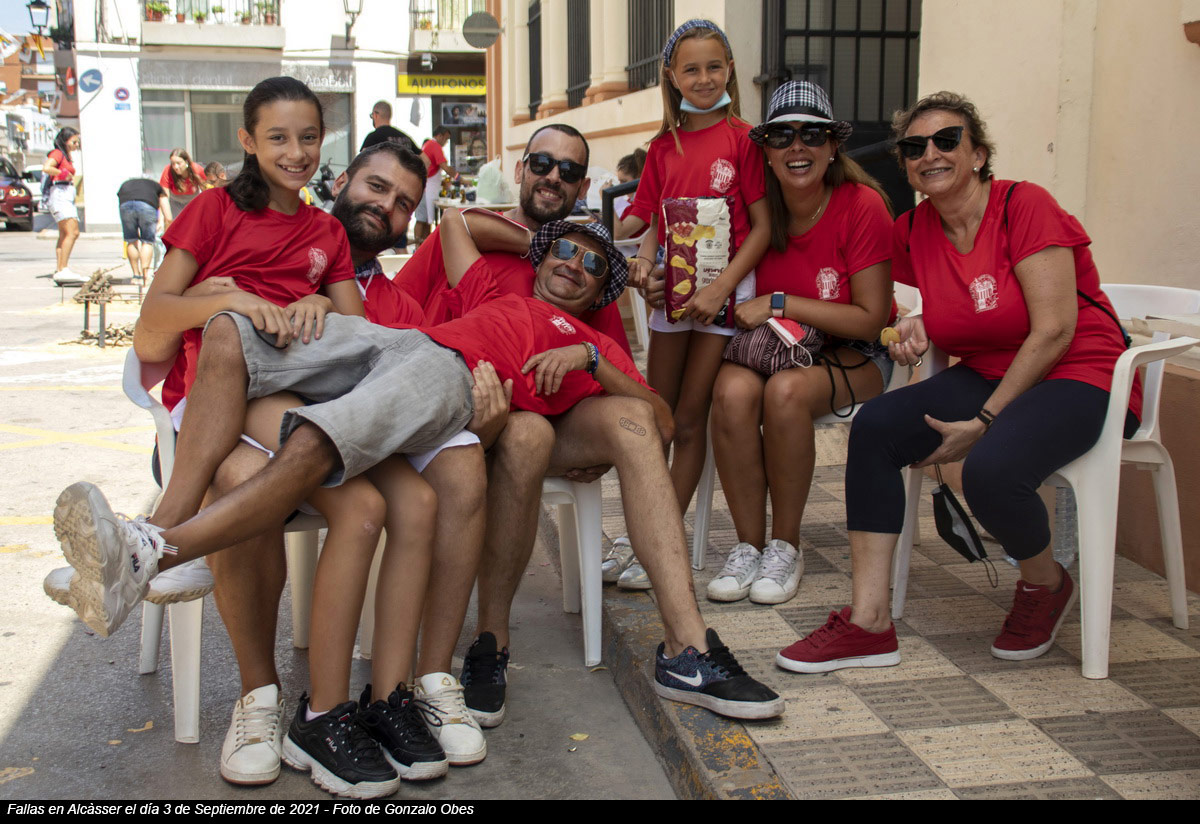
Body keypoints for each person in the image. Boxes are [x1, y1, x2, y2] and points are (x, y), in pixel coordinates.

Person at [48, 220, 784, 754]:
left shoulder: (591, 339)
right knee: (228, 335)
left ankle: (154, 553)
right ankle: (157, 528)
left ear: (601, 293)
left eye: (594, 264)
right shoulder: (495, 286)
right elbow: (456, 222)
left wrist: (590, 360)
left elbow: (658, 420)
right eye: (561, 248)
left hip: (447, 378)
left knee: (317, 443)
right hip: (395, 346)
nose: (573, 263)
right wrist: (531, 234)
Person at [132, 78, 441, 798]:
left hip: (299, 399)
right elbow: (151, 327)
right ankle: (258, 696)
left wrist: (316, 305)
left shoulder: (325, 235)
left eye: (307, 138)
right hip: (216, 400)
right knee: (242, 479)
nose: (295, 152)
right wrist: (232, 299)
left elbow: (356, 336)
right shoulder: (213, 211)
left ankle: (326, 712)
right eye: (277, 137)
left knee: (370, 508)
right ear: (247, 141)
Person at [776, 91, 1140, 673]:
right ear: (905, 165)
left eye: (947, 141)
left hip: (1081, 371)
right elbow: (905, 296)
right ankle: (869, 622)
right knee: (876, 427)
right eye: (914, 147)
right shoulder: (913, 229)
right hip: (991, 369)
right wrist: (911, 324)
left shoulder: (1025, 205)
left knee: (990, 468)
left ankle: (1045, 584)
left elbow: (1054, 330)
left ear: (978, 155)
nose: (931, 154)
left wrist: (984, 421)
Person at [706, 81, 894, 605]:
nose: (797, 146)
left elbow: (871, 320)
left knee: (785, 393)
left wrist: (780, 302)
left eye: (812, 134)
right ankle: (748, 547)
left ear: (833, 146)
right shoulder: (756, 214)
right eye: (781, 135)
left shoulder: (862, 205)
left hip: (854, 351)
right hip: (770, 349)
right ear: (765, 151)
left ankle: (785, 546)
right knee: (731, 392)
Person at [613, 19, 771, 590]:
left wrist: (722, 287)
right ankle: (638, 534)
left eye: (714, 67)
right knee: (655, 418)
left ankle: (661, 539)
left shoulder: (745, 140)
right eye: (692, 70)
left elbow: (762, 228)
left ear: (729, 69)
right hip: (673, 299)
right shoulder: (661, 148)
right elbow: (646, 223)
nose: (704, 79)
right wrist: (639, 265)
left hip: (722, 298)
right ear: (672, 77)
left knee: (687, 420)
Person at [43, 128, 82, 285]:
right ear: (65, 141)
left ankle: (60, 268)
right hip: (61, 193)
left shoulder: (65, 155)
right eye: (74, 141)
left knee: (64, 233)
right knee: (73, 232)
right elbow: (47, 168)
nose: (77, 144)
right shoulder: (58, 153)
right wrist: (63, 172)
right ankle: (63, 268)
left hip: (62, 193)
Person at [116, 177, 173, 282]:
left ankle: (136, 276)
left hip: (125, 204)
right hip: (146, 206)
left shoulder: (126, 184)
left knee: (131, 241)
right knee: (147, 241)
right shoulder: (157, 187)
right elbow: (168, 217)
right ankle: (145, 276)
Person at [411, 125, 456, 245]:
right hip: (425, 188)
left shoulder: (429, 145)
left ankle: (424, 245)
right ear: (439, 136)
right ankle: (418, 246)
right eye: (446, 139)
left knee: (426, 221)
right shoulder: (434, 146)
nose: (446, 142)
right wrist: (459, 178)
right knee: (421, 219)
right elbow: (445, 167)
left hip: (426, 187)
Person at [159, 148, 207, 216]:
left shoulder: (196, 169)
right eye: (173, 164)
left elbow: (207, 191)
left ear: (186, 162)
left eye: (178, 163)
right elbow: (163, 196)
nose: (176, 167)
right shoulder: (168, 170)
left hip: (193, 201)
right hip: (175, 202)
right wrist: (161, 218)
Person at [613, 148, 647, 240]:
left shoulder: (644, 205)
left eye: (624, 181)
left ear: (639, 178)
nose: (620, 186)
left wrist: (606, 202)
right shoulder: (632, 201)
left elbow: (618, 234)